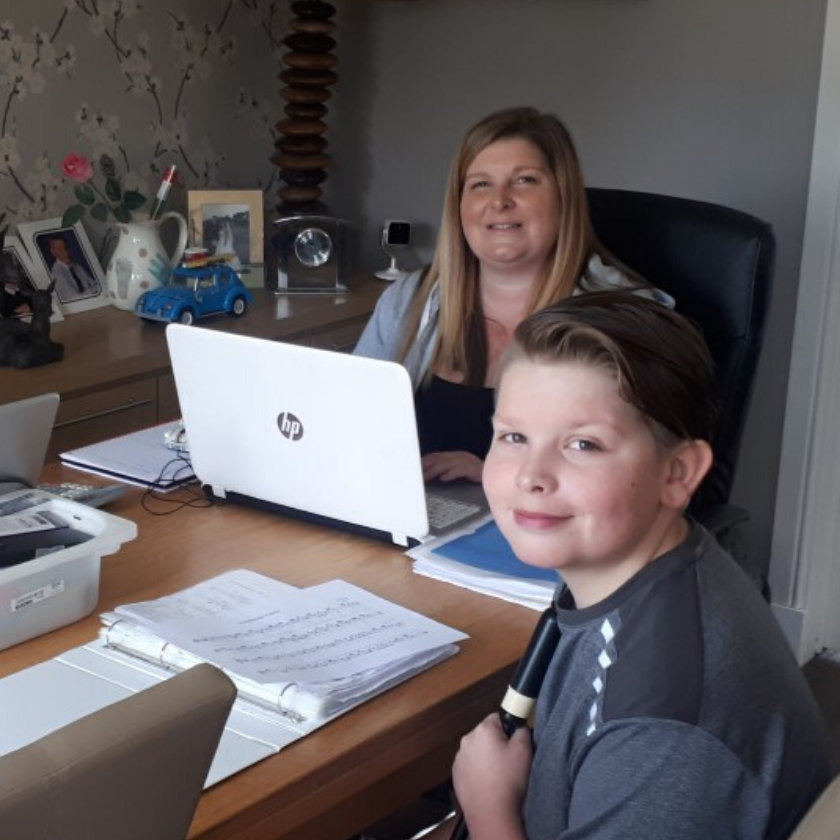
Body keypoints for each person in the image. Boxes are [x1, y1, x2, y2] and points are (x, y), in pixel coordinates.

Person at [428, 292, 833, 840]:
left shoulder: (663, 736)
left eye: (583, 445)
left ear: (678, 473)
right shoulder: (632, 568)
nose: (531, 476)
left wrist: (489, 809)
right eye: (514, 436)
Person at [354, 107, 671, 485]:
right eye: (480, 184)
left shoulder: (624, 319)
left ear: (563, 197)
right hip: (412, 527)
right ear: (459, 206)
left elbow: (639, 477)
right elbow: (352, 424)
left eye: (524, 180)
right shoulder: (410, 300)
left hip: (556, 536)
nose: (499, 200)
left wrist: (498, 476)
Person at [46, 234, 100, 303]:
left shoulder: (76, 266)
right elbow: (76, 298)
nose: (66, 252)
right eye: (60, 249)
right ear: (53, 252)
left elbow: (92, 283)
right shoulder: (56, 274)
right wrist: (96, 288)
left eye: (66, 248)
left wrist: (96, 287)